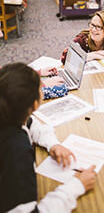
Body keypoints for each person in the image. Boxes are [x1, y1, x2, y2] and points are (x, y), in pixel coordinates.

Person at [0, 62, 96, 213]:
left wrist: (52, 144)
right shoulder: (16, 151)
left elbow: (32, 125)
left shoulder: (10, 113)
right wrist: (76, 186)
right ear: (34, 105)